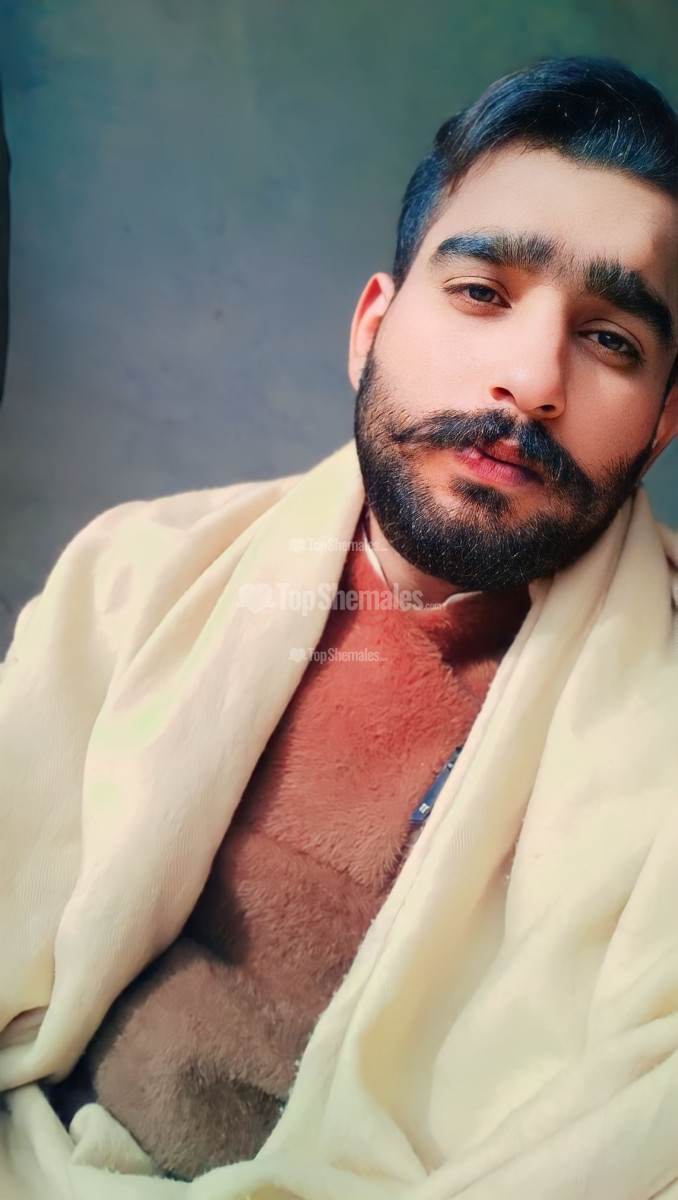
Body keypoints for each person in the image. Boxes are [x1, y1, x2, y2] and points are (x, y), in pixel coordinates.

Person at [0, 55, 676, 1200]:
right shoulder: (136, 578)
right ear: (372, 328)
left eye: (612, 340)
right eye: (482, 292)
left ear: (661, 427)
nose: (533, 379)